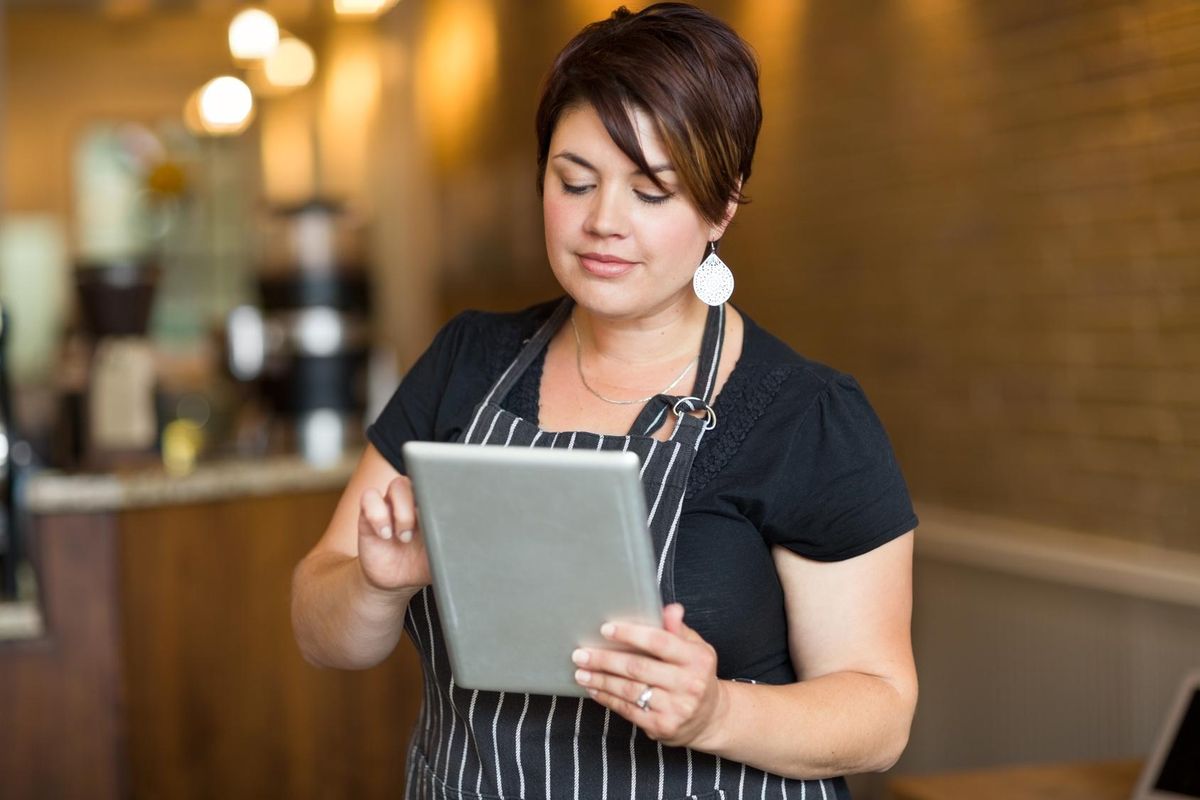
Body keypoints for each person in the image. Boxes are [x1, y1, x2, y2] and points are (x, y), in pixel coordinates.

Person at [292, 4, 918, 798]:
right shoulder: (469, 362)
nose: (601, 223)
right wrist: (376, 584)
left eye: (651, 192)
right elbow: (321, 632)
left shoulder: (808, 417)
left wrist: (715, 713)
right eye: (574, 181)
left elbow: (881, 714)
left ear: (721, 206)